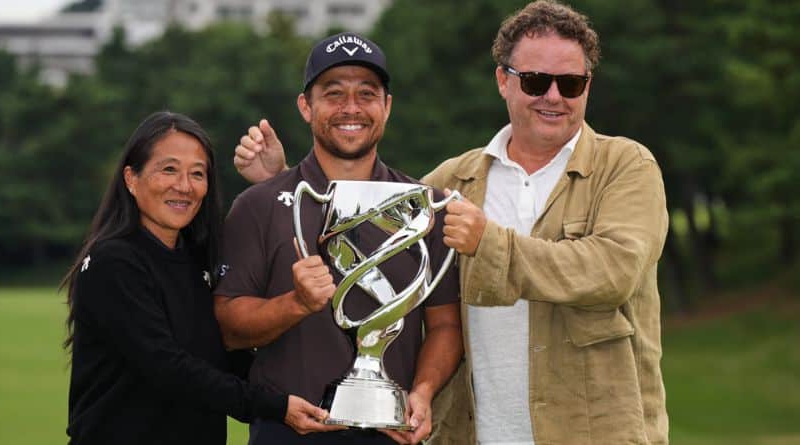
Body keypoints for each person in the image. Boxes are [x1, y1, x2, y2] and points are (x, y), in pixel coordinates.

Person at [233, 1, 670, 444]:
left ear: (588, 86)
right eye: (536, 81)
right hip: (474, 433)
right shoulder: (451, 182)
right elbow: (363, 232)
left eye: (571, 83)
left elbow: (612, 271)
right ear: (504, 80)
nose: (553, 96)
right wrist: (282, 183)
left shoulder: (627, 166)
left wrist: (488, 241)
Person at [213, 32, 463, 445]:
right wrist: (295, 304)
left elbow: (445, 325)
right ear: (305, 107)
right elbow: (229, 327)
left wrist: (422, 392)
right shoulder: (258, 205)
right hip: (288, 432)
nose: (351, 108)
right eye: (334, 94)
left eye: (367, 93)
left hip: (392, 433)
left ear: (387, 106)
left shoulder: (425, 209)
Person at [61, 111, 330, 445]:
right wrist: (274, 406)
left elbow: (223, 351)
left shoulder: (199, 256)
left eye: (197, 174)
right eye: (169, 169)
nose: (184, 186)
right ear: (131, 178)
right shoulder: (113, 262)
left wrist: (274, 180)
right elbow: (168, 368)